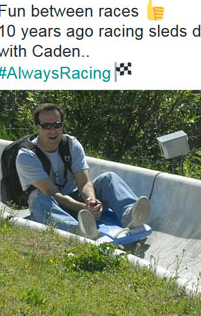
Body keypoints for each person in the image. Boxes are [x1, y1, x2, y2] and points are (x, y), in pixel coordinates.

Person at [15, 103, 151, 240]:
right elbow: (53, 193)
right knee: (40, 200)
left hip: (76, 198)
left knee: (108, 178)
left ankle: (130, 215)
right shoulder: (26, 156)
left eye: (57, 125)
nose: (53, 131)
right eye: (47, 126)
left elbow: (84, 182)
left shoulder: (70, 144)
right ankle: (78, 230)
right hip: (51, 205)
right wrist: (82, 208)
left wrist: (91, 201)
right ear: (37, 128)